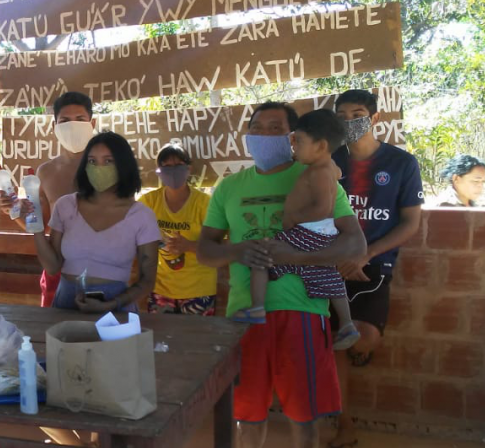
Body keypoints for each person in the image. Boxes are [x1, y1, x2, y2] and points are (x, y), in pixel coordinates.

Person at [197, 102, 367, 448]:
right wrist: (238, 250)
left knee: (304, 415)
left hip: (303, 312)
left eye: (276, 127)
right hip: (245, 316)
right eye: (257, 126)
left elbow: (354, 244)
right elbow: (206, 250)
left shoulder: (316, 176)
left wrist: (292, 255)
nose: (264, 133)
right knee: (246, 412)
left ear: (295, 137)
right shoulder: (230, 187)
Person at [329, 89, 424, 448]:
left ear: (375, 118)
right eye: (341, 116)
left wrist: (366, 253)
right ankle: (345, 423)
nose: (349, 122)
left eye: (357, 115)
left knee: (364, 339)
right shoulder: (329, 160)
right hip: (331, 264)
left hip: (374, 264)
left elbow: (410, 222)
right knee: (338, 341)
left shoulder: (401, 163)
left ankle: (359, 351)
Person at [234, 110, 360, 349]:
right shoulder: (329, 167)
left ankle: (257, 307)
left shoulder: (318, 172)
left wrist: (293, 218)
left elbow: (323, 208)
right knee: (328, 275)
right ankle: (346, 323)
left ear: (320, 146)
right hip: (322, 234)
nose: (293, 145)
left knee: (261, 256)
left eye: (299, 141)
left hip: (308, 231)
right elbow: (337, 176)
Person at [33, 131, 160, 312]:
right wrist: (36, 227)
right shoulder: (66, 205)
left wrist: (111, 304)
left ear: (124, 165)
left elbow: (147, 280)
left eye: (108, 161)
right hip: (66, 306)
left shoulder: (141, 216)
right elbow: (52, 267)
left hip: (116, 312)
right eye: (92, 161)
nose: (99, 168)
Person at [0, 91, 96, 307]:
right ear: (55, 127)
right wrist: (14, 211)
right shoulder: (46, 172)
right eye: (65, 121)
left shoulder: (108, 169)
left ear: (92, 123)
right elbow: (38, 225)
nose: (72, 126)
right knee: (54, 327)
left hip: (101, 271)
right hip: (57, 268)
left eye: (80, 119)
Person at [137, 144, 217, 315]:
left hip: (199, 290)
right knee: (160, 333)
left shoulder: (205, 203)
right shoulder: (148, 202)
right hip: (160, 288)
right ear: (159, 171)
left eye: (179, 165)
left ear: (189, 168)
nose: (173, 171)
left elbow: (219, 247)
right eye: (167, 166)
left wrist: (188, 246)